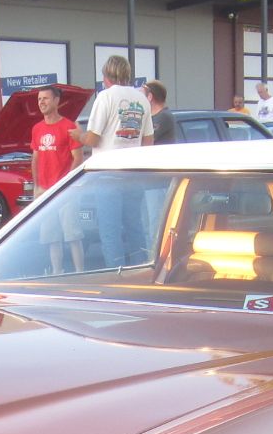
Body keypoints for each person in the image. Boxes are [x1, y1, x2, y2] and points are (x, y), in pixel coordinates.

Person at [77, 54, 153, 267]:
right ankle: (141, 271)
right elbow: (148, 142)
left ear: (106, 75)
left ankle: (115, 273)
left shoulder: (105, 97)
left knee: (110, 231)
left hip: (107, 173)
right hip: (134, 172)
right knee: (135, 228)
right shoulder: (142, 100)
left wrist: (77, 136)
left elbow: (93, 138)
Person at [31, 84, 82, 273]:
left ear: (56, 101)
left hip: (66, 191)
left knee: (73, 235)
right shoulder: (37, 128)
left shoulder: (68, 126)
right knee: (51, 237)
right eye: (39, 99)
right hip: (45, 191)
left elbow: (78, 158)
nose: (41, 102)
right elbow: (35, 158)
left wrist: (65, 183)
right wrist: (37, 186)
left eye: (45, 98)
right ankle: (56, 273)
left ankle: (80, 272)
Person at [144, 80, 177, 146]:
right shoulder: (152, 117)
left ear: (150, 97)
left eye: (143, 95)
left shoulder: (164, 116)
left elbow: (147, 140)